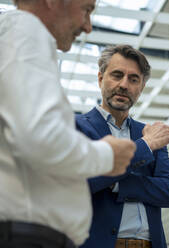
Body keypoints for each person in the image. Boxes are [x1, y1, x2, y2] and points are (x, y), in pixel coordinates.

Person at [0, 1, 136, 248]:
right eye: (86, 9)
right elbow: (39, 138)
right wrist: (107, 155)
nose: (88, 26)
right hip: (26, 235)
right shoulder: (25, 30)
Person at [76, 44, 169, 248]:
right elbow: (84, 180)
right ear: (100, 78)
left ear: (141, 88)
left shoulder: (149, 132)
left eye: (133, 79)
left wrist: (117, 184)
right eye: (117, 75)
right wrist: (145, 146)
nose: (124, 85)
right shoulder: (77, 127)